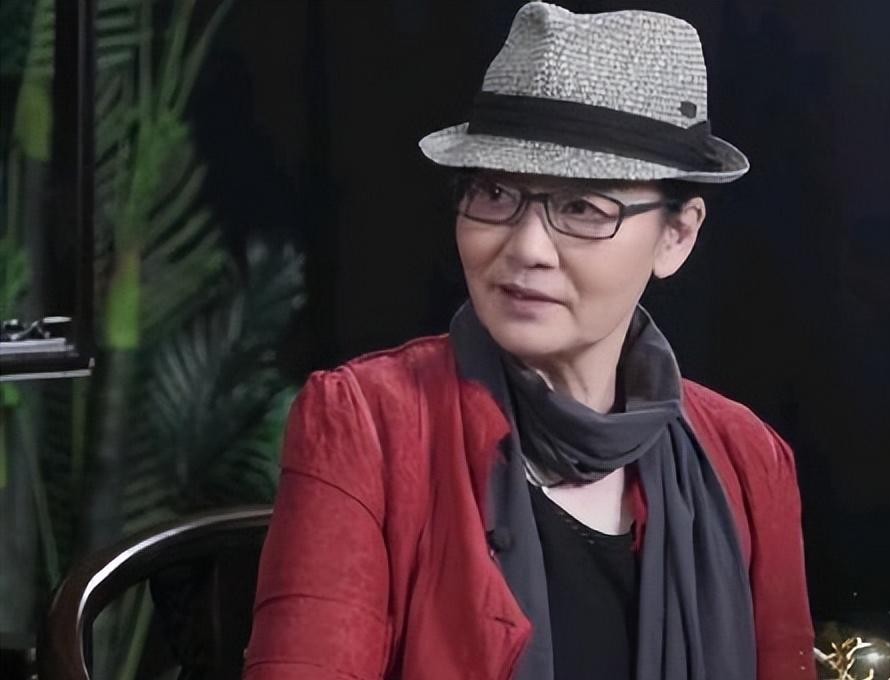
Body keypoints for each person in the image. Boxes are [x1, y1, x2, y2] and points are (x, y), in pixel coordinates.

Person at [243, 4, 814, 679]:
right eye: (494, 193)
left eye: (582, 207)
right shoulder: (366, 424)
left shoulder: (747, 460)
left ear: (677, 235)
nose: (527, 248)